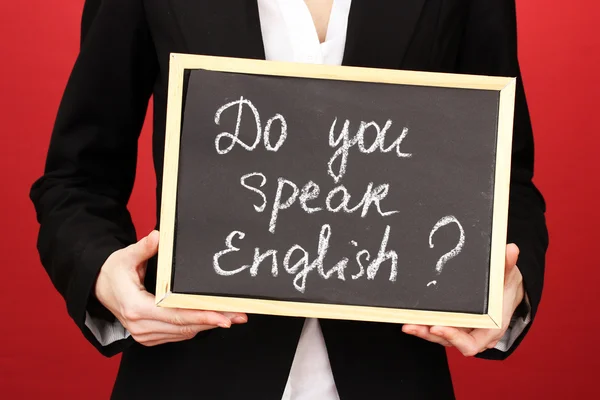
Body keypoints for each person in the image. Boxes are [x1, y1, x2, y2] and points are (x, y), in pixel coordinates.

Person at [29, 0, 548, 399]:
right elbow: (76, 179)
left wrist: (505, 285)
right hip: (193, 372)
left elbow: (505, 175)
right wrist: (106, 276)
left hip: (393, 374)